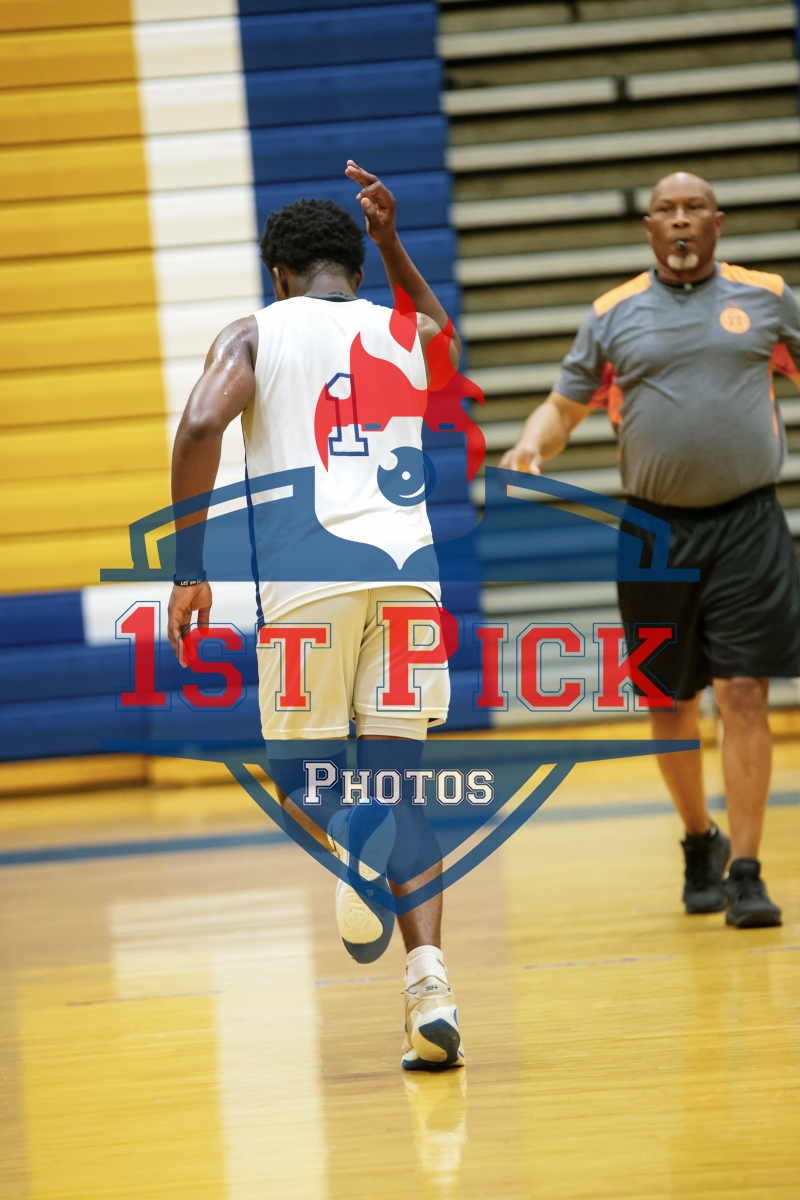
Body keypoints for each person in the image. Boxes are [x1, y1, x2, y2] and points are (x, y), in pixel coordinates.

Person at [166, 161, 465, 1069]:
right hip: (410, 581)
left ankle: (348, 833)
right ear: (358, 271)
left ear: (279, 275)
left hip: (311, 583)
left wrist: (189, 570)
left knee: (304, 779)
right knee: (399, 789)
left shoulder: (255, 333)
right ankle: (431, 992)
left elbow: (199, 427)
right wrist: (395, 242)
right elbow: (444, 338)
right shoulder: (402, 330)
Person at [501, 171, 800, 928]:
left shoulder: (767, 297)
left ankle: (747, 871)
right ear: (649, 228)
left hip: (749, 522)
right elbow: (565, 404)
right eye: (667, 209)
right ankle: (700, 840)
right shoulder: (613, 314)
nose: (681, 220)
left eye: (694, 208)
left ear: (717, 223)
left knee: (743, 690)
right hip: (654, 533)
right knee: (668, 700)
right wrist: (532, 445)